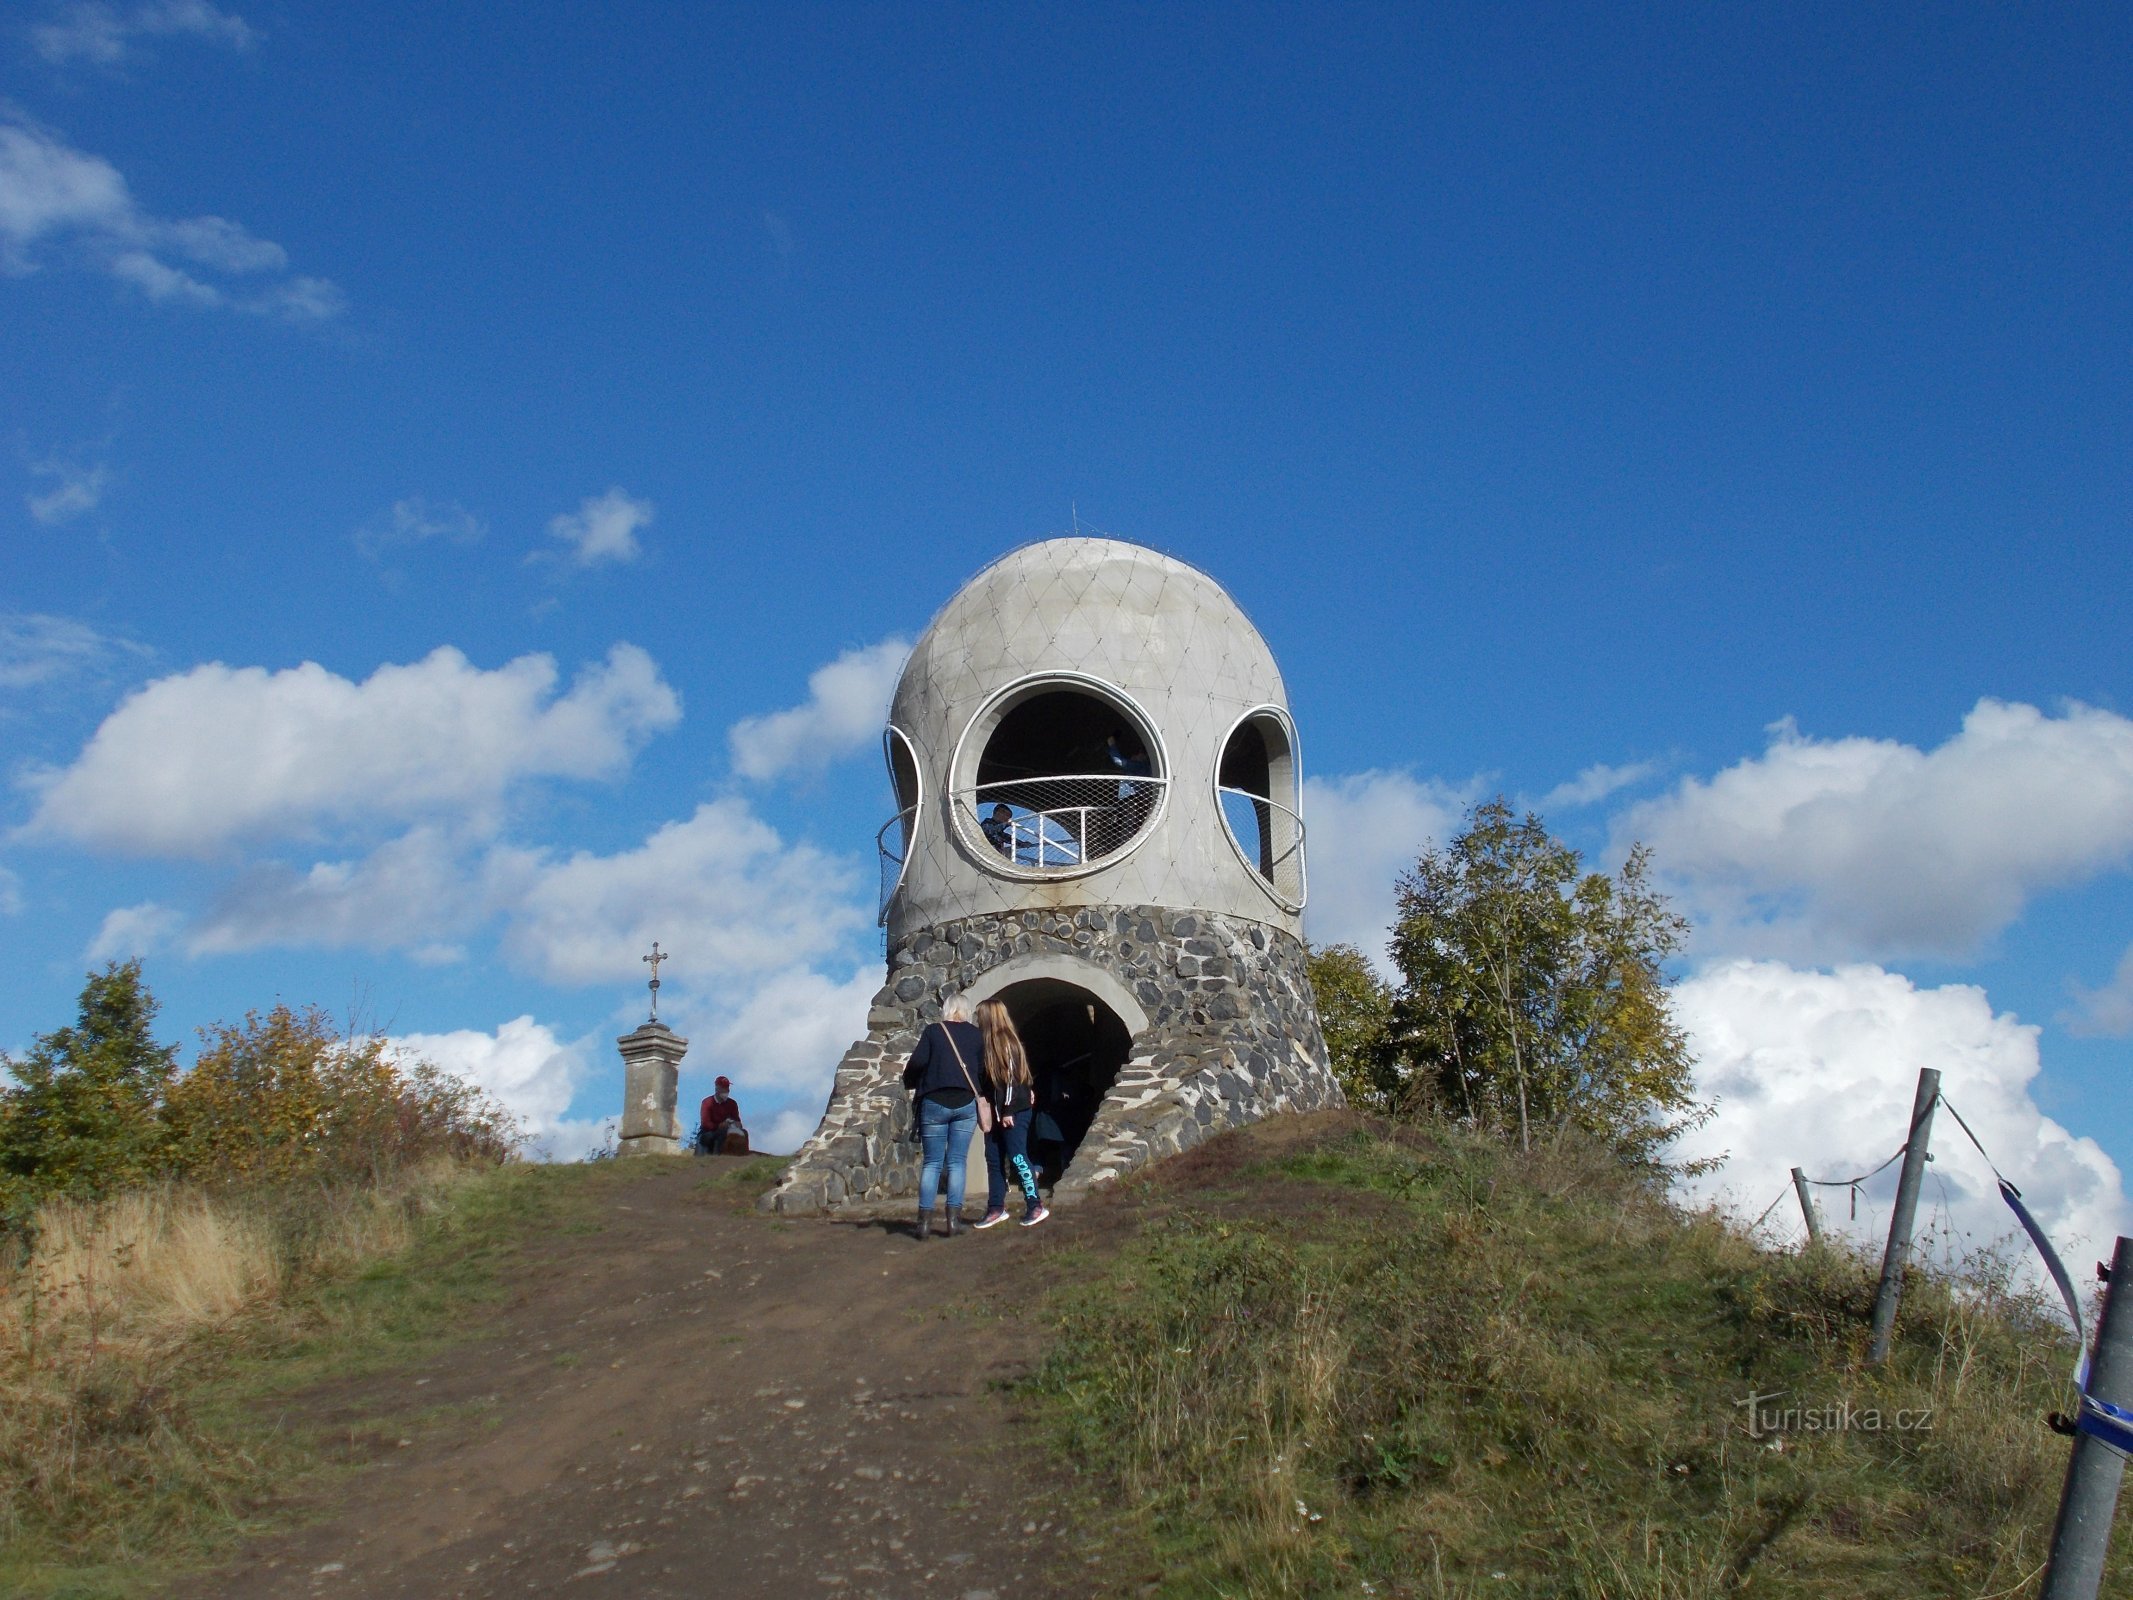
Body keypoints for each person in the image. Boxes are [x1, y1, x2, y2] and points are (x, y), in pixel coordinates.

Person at [902, 994, 987, 1239]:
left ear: (947, 1009)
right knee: (957, 1162)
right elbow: (981, 1070)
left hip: (934, 1100)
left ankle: (924, 1223)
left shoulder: (933, 1032)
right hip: (965, 1102)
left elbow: (917, 1062)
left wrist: (911, 1081)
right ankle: (953, 1221)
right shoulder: (975, 1035)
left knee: (932, 1163)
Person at [973, 999, 1049, 1229]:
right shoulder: (988, 1044)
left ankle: (1035, 1205)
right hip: (998, 1112)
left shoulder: (1004, 1041)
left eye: (980, 1016)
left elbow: (1011, 1079)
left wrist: (1007, 1110)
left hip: (1012, 1111)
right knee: (994, 1159)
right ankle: (996, 1207)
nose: (977, 1021)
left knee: (1017, 1157)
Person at [698, 1076, 744, 1154]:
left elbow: (737, 1119)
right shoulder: (707, 1102)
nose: (726, 1090)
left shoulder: (732, 1103)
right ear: (717, 1088)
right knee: (719, 1136)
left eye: (727, 1088)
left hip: (728, 1130)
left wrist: (737, 1124)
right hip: (708, 1132)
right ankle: (717, 1157)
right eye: (723, 1088)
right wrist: (719, 1126)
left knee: (743, 1134)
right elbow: (705, 1123)